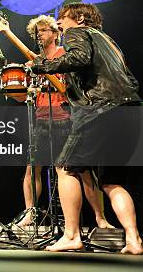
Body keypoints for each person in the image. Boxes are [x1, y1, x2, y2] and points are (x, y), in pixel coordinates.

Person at [31, 3, 142, 254]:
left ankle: (71, 235)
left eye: (62, 18)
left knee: (65, 167)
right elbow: (128, 78)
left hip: (101, 110)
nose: (59, 24)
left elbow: (77, 58)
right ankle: (134, 240)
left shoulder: (77, 33)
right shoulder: (110, 42)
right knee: (112, 182)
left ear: (80, 18)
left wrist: (41, 66)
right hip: (131, 110)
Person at [16, 15, 111, 229]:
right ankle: (30, 213)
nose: (38, 35)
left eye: (42, 30)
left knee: (82, 172)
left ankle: (100, 217)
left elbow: (73, 87)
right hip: (41, 119)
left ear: (55, 32)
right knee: (32, 170)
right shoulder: (34, 61)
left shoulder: (64, 56)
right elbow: (24, 96)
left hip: (66, 119)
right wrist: (21, 90)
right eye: (36, 32)